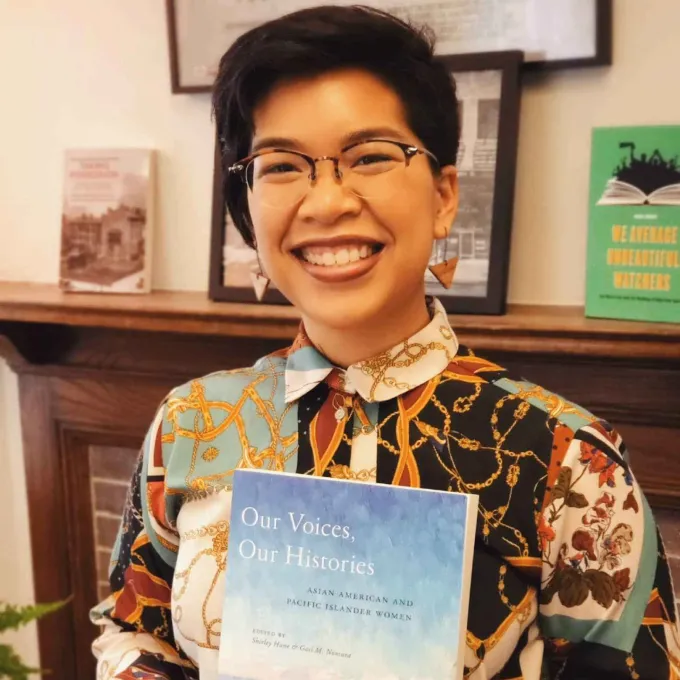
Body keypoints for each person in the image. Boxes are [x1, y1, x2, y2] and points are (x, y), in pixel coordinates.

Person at [90, 5, 680, 679]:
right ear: (246, 210)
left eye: (369, 156)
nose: (327, 202)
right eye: (281, 166)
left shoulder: (568, 459)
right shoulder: (191, 424)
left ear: (444, 196)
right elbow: (134, 627)